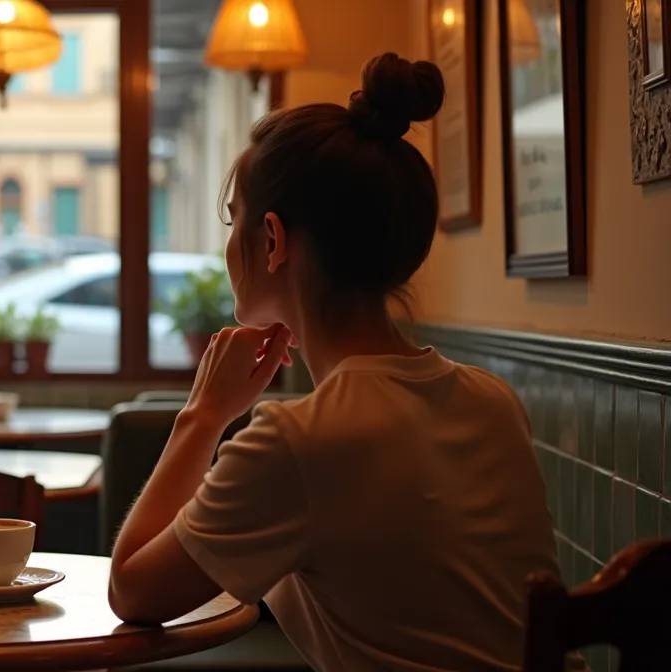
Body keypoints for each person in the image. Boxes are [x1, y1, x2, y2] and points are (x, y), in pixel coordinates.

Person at [108, 53, 561, 671]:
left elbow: (132, 593)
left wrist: (204, 414)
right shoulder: (492, 399)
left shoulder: (297, 442)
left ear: (271, 240)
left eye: (231, 218)